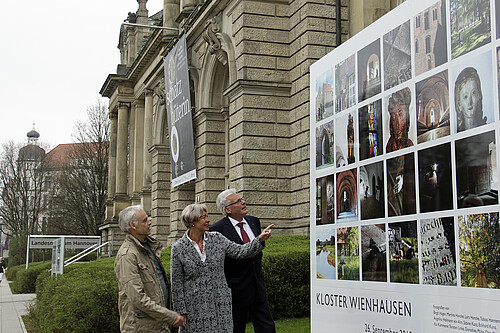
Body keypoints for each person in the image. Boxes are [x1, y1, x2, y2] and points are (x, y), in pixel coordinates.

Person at [170, 203, 273, 333]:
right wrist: (180, 312)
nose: (208, 220)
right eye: (203, 217)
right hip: (194, 309)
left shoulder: (217, 239)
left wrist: (259, 239)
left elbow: (241, 251)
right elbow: (177, 283)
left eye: (207, 216)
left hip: (220, 305)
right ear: (192, 222)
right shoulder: (179, 248)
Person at [210, 189, 276, 333]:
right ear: (227, 209)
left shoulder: (253, 221)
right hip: (235, 293)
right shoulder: (216, 230)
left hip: (258, 289)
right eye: (238, 201)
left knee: (268, 329)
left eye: (242, 199)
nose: (243, 202)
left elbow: (257, 252)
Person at [114, 205, 186, 333]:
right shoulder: (127, 255)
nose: (150, 222)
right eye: (145, 220)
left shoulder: (148, 247)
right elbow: (137, 298)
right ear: (133, 226)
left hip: (158, 325)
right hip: (141, 328)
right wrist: (170, 316)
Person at [454, 67, 487, 132]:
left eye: (473, 93)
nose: (470, 102)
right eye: (465, 96)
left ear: (478, 96)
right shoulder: (458, 140)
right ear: (459, 104)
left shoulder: (489, 133)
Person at [386, 87, 414, 153]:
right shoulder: (390, 146)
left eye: (400, 114)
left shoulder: (409, 145)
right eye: (393, 116)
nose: (397, 124)